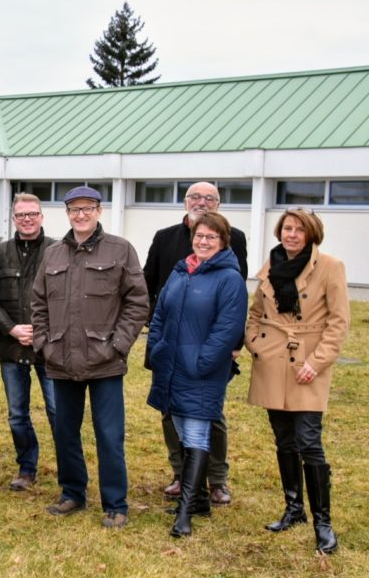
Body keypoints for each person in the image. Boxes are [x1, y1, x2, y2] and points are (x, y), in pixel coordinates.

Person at [31, 186, 149, 528]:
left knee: (109, 435)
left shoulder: (120, 249)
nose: (80, 215)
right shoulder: (53, 254)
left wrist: (118, 345)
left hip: (105, 362)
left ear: (99, 211)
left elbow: (137, 302)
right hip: (60, 359)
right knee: (65, 431)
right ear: (67, 213)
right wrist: (44, 343)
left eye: (87, 209)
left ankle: (115, 504)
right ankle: (72, 493)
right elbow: (38, 303)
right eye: (73, 209)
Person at [246, 208, 349, 555]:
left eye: (299, 230)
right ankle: (294, 509)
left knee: (309, 441)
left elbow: (338, 323)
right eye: (287, 228)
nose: (291, 234)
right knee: (283, 439)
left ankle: (324, 522)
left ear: (311, 234)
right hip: (272, 360)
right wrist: (256, 343)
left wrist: (317, 363)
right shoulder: (271, 266)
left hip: (307, 361)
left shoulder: (330, 267)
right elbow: (255, 313)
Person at [143, 181, 248, 506]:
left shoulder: (236, 239)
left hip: (208, 349)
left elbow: (236, 295)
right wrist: (156, 343)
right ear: (185, 202)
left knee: (209, 416)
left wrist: (232, 342)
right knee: (170, 413)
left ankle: (216, 480)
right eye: (195, 197)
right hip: (171, 347)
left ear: (218, 205)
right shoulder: (165, 237)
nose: (201, 202)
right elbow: (150, 284)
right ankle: (181, 474)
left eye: (209, 198)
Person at [0, 192, 56, 491]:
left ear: (41, 217)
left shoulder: (57, 250)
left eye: (32, 214)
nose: (27, 219)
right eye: (21, 215)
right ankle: (27, 467)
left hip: (49, 347)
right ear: (13, 218)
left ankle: (70, 469)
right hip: (11, 346)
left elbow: (66, 296)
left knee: (58, 411)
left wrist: (43, 330)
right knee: (17, 414)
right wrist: (10, 328)